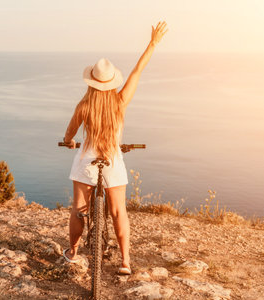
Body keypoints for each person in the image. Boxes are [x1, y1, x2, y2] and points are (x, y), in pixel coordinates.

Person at [61, 21, 168, 275]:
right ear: (111, 83)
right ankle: (125, 262)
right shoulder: (120, 102)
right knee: (119, 211)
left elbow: (69, 134)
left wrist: (70, 142)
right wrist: (152, 44)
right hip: (112, 161)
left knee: (79, 211)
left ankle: (73, 253)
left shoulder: (83, 106)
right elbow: (137, 71)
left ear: (92, 82)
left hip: (86, 161)